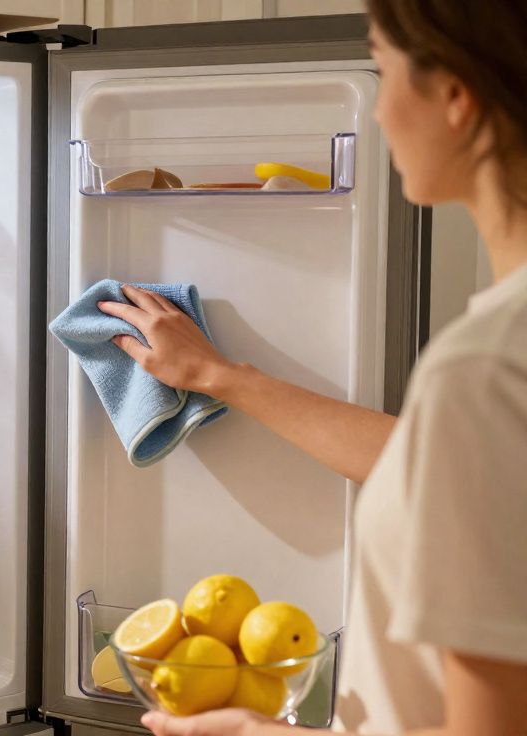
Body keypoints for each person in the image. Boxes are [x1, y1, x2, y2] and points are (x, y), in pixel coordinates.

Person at [98, 1, 527, 734]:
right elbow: (434, 468)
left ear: (456, 96)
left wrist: (261, 734)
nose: (380, 111)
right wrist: (216, 376)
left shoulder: (485, 368)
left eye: (383, 70)